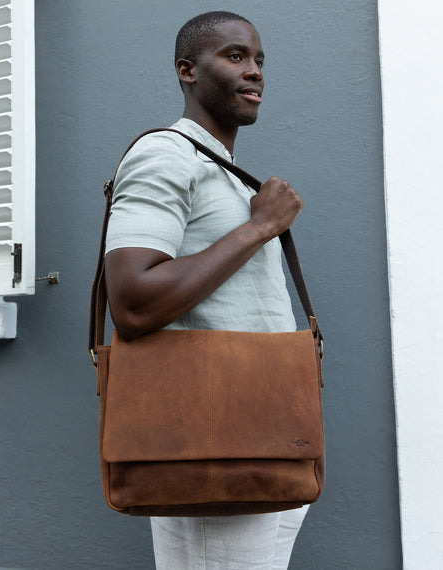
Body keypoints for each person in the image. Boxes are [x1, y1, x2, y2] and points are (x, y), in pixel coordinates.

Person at [105, 10, 309, 570]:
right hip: (211, 437)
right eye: (235, 56)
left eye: (259, 60)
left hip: (266, 430)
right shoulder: (166, 154)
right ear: (187, 70)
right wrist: (259, 227)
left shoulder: (222, 171)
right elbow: (133, 300)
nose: (255, 71)